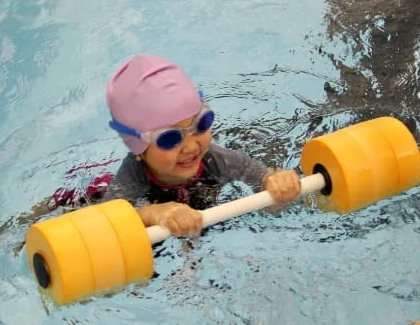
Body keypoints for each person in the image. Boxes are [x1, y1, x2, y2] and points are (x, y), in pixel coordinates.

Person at [103, 55, 301, 237]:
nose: (190, 147)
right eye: (170, 138)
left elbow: (264, 179)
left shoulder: (218, 159)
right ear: (138, 149)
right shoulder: (132, 176)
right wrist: (148, 214)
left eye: (201, 124)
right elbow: (107, 224)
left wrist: (277, 182)